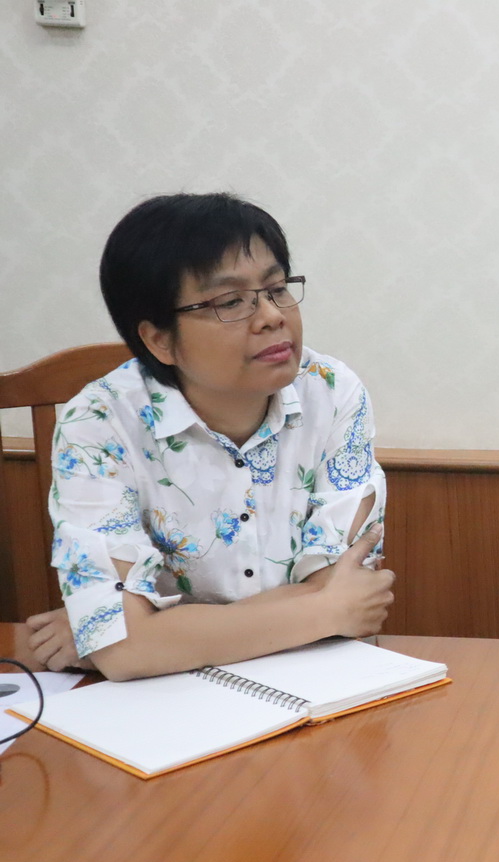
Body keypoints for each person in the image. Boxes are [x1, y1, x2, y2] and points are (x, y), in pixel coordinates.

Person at [25, 192, 393, 681]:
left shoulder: (332, 391)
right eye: (231, 302)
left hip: (315, 681)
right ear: (159, 339)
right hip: (167, 706)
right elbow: (126, 652)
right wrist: (322, 611)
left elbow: (351, 598)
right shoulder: (96, 424)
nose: (271, 316)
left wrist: (144, 633)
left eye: (277, 288)